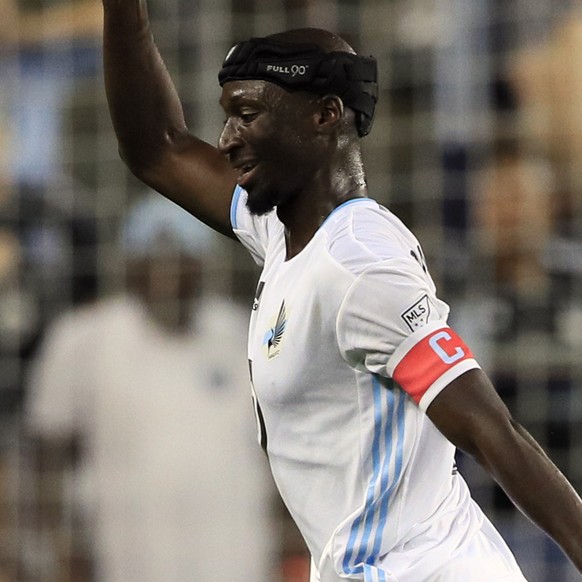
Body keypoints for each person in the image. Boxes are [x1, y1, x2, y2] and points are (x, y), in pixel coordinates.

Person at [101, 2, 582, 580]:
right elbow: (158, 147)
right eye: (227, 116)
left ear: (324, 115)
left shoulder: (360, 267)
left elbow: (490, 428)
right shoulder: (282, 228)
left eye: (247, 114)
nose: (226, 139)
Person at [24, 193, 276, 582]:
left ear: (201, 265)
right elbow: (46, 456)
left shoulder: (242, 334)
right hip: (127, 562)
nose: (167, 273)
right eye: (153, 258)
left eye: (181, 256)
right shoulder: (83, 340)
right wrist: (47, 554)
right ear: (129, 265)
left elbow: (276, 453)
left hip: (236, 562)